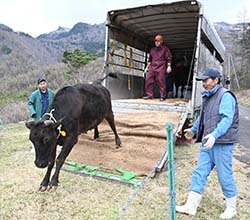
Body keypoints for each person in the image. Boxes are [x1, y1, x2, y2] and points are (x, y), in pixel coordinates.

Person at [176, 67, 239, 219]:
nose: (203, 83)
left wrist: (215, 135)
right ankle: (190, 206)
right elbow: (202, 117)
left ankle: (231, 208)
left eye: (206, 80)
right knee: (199, 172)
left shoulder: (225, 96)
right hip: (207, 143)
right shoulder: (207, 96)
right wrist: (193, 130)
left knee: (224, 176)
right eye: (202, 81)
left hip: (222, 143)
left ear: (216, 80)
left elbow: (227, 119)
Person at [144, 34, 172, 101]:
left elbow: (169, 58)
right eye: (156, 41)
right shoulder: (152, 50)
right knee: (148, 79)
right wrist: (146, 68)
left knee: (161, 81)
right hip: (153, 67)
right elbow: (150, 60)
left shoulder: (165, 49)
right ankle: (149, 95)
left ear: (161, 41)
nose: (156, 42)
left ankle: (162, 96)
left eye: (158, 41)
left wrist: (169, 66)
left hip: (161, 67)